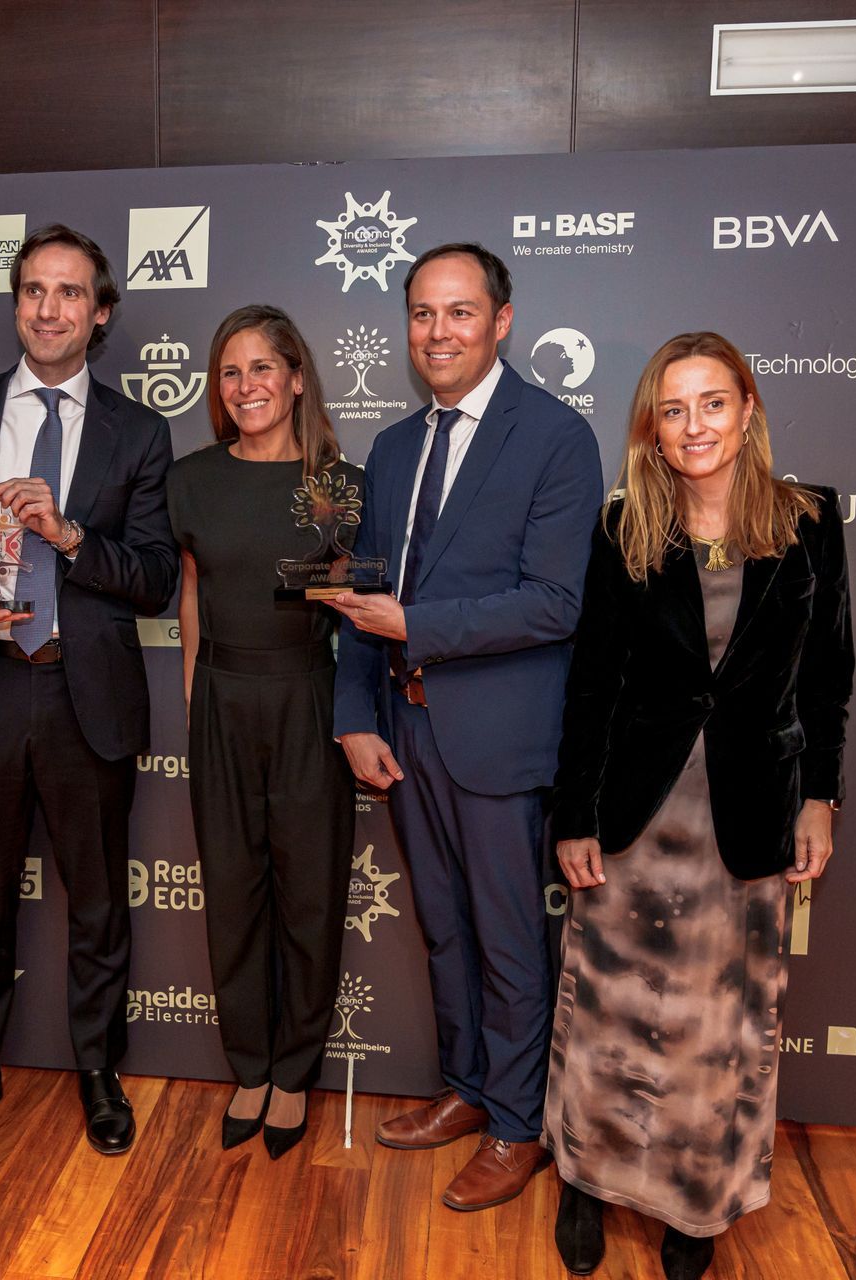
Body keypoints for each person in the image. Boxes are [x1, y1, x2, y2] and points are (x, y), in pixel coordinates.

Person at [543, 332, 853, 1279]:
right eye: (673, 410)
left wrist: (822, 797)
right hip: (638, 817)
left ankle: (696, 1202)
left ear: (747, 409)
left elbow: (827, 677)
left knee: (721, 1030)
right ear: (652, 428)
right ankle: (585, 1180)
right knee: (609, 1015)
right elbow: (592, 683)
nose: (694, 426)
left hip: (749, 817)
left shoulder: (808, 521)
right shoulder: (626, 528)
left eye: (712, 403)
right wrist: (575, 813)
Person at [328, 243, 603, 1210]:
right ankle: (469, 1088)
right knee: (444, 931)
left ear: (501, 321)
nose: (438, 332)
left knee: (509, 942)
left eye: (459, 312)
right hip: (405, 735)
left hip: (500, 742)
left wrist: (417, 626)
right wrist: (354, 715)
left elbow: (556, 601)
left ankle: (520, 1125)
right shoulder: (394, 448)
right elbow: (362, 593)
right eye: (422, 313)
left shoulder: (556, 436)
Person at [0, 224, 179, 1159]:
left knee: (98, 905)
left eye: (70, 293)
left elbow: (153, 578)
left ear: (100, 313)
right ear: (15, 302)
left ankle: (98, 1069)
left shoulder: (139, 431)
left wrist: (68, 537)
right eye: (33, 290)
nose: (49, 309)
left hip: (81, 693)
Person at [168, 304, 360, 1160]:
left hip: (309, 698)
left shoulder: (340, 486)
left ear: (295, 378)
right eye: (230, 372)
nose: (246, 386)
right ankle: (248, 1064)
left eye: (261, 368)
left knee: (310, 898)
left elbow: (354, 607)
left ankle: (294, 1073)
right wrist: (193, 707)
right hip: (220, 698)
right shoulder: (192, 480)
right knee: (233, 894)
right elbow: (191, 601)